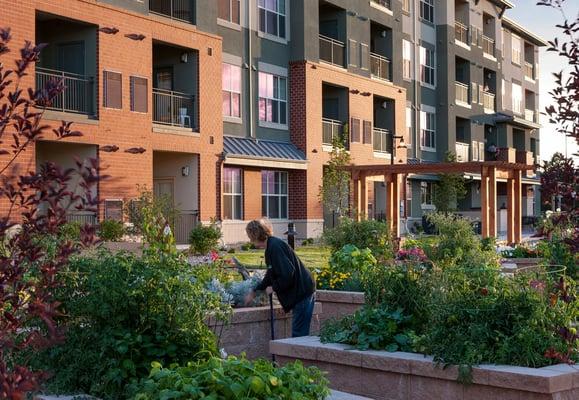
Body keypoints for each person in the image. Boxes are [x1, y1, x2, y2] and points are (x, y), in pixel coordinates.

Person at [242, 219, 316, 337]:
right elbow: (271, 274)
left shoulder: (275, 247)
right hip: (301, 291)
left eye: (249, 236)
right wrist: (256, 290)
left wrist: (274, 287)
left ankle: (298, 355)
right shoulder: (271, 246)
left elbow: (288, 273)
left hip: (302, 293)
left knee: (299, 334)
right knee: (299, 333)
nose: (250, 240)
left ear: (254, 235)